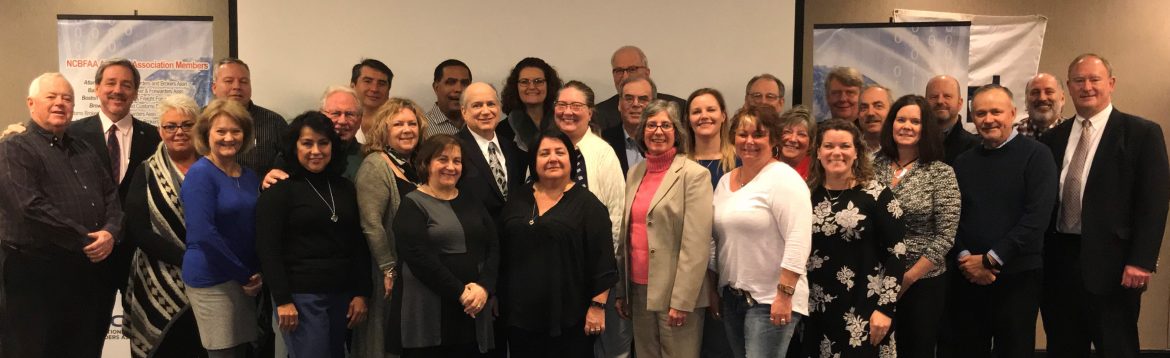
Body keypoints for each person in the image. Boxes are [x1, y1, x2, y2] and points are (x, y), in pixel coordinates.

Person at [1040, 54, 1170, 358]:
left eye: (1094, 79)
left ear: (1110, 84)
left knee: (1117, 347)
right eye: (1078, 80)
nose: (1087, 87)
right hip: (1059, 263)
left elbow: (1154, 201)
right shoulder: (1052, 138)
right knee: (1063, 347)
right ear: (1068, 87)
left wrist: (1142, 260)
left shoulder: (1141, 133)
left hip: (1115, 266)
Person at [0, 73, 123, 358]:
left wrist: (110, 232)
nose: (60, 103)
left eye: (67, 98)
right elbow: (29, 208)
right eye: (51, 97)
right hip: (33, 275)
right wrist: (87, 240)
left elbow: (111, 197)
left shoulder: (84, 148)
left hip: (83, 271)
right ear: (31, 103)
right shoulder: (13, 148)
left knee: (82, 348)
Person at [949, 84, 1058, 357]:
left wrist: (990, 260)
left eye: (996, 112)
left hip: (1018, 277)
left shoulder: (1037, 155)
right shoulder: (963, 162)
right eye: (980, 113)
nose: (988, 119)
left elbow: (1037, 218)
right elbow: (952, 216)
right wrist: (964, 258)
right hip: (968, 275)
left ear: (1012, 113)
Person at [256, 112, 372, 357]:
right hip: (300, 296)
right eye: (307, 143)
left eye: (323, 143)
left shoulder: (344, 188)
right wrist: (283, 300)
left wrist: (361, 292)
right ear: (294, 147)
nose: (316, 151)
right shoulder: (279, 190)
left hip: (341, 293)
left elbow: (357, 243)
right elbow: (268, 249)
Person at [65, 58, 162, 344]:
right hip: (92, 252)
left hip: (140, 253)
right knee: (87, 334)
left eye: (126, 85)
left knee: (146, 335)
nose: (118, 90)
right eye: (110, 83)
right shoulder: (71, 135)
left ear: (136, 93)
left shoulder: (155, 137)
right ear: (96, 88)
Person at [497, 130, 619, 358]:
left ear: (570, 159)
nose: (552, 158)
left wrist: (598, 307)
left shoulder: (588, 205)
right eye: (544, 153)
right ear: (534, 161)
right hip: (520, 316)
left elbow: (603, 261)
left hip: (570, 317)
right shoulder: (517, 199)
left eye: (559, 152)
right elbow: (501, 250)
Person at [614, 100, 713, 358]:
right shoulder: (635, 173)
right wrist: (623, 291)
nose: (658, 131)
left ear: (677, 132)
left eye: (666, 125)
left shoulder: (694, 175)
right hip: (638, 289)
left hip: (675, 294)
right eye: (651, 125)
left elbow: (696, 244)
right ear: (642, 132)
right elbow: (627, 235)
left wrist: (682, 300)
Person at [712, 105, 812, 358]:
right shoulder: (725, 182)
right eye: (742, 134)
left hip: (771, 299)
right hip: (733, 297)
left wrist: (784, 295)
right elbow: (716, 239)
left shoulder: (784, 178)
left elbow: (799, 239)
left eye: (758, 135)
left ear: (773, 139)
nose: (749, 141)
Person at [389, 134, 499, 357]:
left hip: (473, 306)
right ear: (426, 163)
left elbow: (493, 245)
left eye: (457, 161)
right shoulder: (412, 204)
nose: (451, 166)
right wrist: (461, 293)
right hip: (430, 311)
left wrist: (484, 287)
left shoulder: (471, 199)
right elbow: (419, 259)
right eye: (442, 159)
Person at [804, 119, 906, 357]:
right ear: (818, 152)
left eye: (845, 146)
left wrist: (885, 308)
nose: (836, 152)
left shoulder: (876, 194)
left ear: (857, 152)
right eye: (828, 146)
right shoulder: (806, 193)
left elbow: (897, 252)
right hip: (815, 310)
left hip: (865, 311)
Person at [872, 94, 959, 357]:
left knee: (916, 349)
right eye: (901, 120)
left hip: (922, 282)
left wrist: (906, 279)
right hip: (874, 277)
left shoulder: (941, 173)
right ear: (891, 124)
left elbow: (945, 236)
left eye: (915, 121)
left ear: (926, 128)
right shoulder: (871, 166)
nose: (907, 126)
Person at [123, 94, 205, 357]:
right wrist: (187, 259)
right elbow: (138, 230)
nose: (179, 132)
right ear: (160, 131)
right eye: (170, 126)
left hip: (210, 278)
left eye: (187, 124)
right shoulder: (145, 171)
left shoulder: (215, 167)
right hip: (157, 279)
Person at [551, 80, 629, 358]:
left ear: (590, 112)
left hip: (599, 271)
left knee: (610, 348)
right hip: (559, 274)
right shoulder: (545, 151)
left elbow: (617, 215)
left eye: (576, 105)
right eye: (562, 105)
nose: (568, 112)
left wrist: (604, 273)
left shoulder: (602, 153)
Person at [182, 98, 264, 358]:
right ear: (206, 134)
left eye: (235, 131)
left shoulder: (249, 176)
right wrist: (244, 275)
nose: (229, 138)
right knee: (224, 353)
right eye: (221, 131)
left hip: (245, 278)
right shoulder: (200, 174)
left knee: (241, 351)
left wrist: (255, 272)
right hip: (213, 279)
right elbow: (203, 235)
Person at [353, 97, 428, 357]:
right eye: (398, 124)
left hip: (416, 271)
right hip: (388, 272)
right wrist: (388, 268)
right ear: (383, 130)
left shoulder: (417, 166)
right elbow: (371, 224)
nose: (407, 130)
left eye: (412, 124)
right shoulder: (376, 165)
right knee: (384, 341)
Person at [683, 88, 737, 358]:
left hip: (729, 269)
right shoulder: (679, 165)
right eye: (696, 111)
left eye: (711, 110)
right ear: (688, 119)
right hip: (688, 272)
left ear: (723, 115)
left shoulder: (740, 162)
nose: (704, 116)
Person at [456, 82, 529, 215]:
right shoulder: (453, 149)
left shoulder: (512, 149)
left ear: (499, 108)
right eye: (477, 105)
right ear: (464, 111)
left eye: (491, 104)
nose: (485, 111)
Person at [211, 57, 288, 176]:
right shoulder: (200, 121)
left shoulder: (274, 123)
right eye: (229, 81)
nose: (237, 86)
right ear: (214, 87)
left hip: (260, 188)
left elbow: (289, 165)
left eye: (243, 81)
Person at [595, 46, 686, 131]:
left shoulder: (679, 109)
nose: (625, 76)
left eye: (632, 69)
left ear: (647, 73)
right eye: (619, 71)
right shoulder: (598, 114)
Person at [499, 57, 563, 152]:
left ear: (549, 85)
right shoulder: (501, 131)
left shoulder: (564, 123)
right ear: (515, 87)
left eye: (538, 81)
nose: (532, 87)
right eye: (524, 82)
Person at [603, 75, 657, 175]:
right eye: (629, 99)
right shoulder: (603, 141)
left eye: (643, 99)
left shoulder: (666, 142)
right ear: (619, 104)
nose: (635, 104)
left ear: (654, 105)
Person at [925, 75, 981, 165]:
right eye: (934, 96)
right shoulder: (913, 144)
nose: (940, 101)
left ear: (960, 103)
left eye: (947, 96)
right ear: (925, 103)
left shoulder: (975, 147)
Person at [425, 59, 473, 137]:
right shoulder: (422, 127)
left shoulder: (479, 122)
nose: (459, 89)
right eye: (451, 82)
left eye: (464, 83)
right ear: (436, 87)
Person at [350, 58, 393, 143]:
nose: (374, 89)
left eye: (381, 83)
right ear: (352, 87)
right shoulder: (340, 122)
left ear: (388, 90)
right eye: (367, 81)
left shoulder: (399, 125)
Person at [1017, 73, 1066, 139]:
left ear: (1062, 98)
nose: (1042, 98)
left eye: (1049, 92)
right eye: (1035, 92)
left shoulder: (1073, 132)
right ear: (1026, 100)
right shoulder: (1012, 135)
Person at [775, 105, 816, 179]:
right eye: (787, 132)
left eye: (801, 134)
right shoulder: (764, 166)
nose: (793, 139)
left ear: (810, 142)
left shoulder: (816, 173)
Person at [857, 85, 892, 155]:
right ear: (858, 114)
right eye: (864, 108)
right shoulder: (849, 150)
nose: (870, 113)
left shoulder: (906, 151)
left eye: (878, 106)